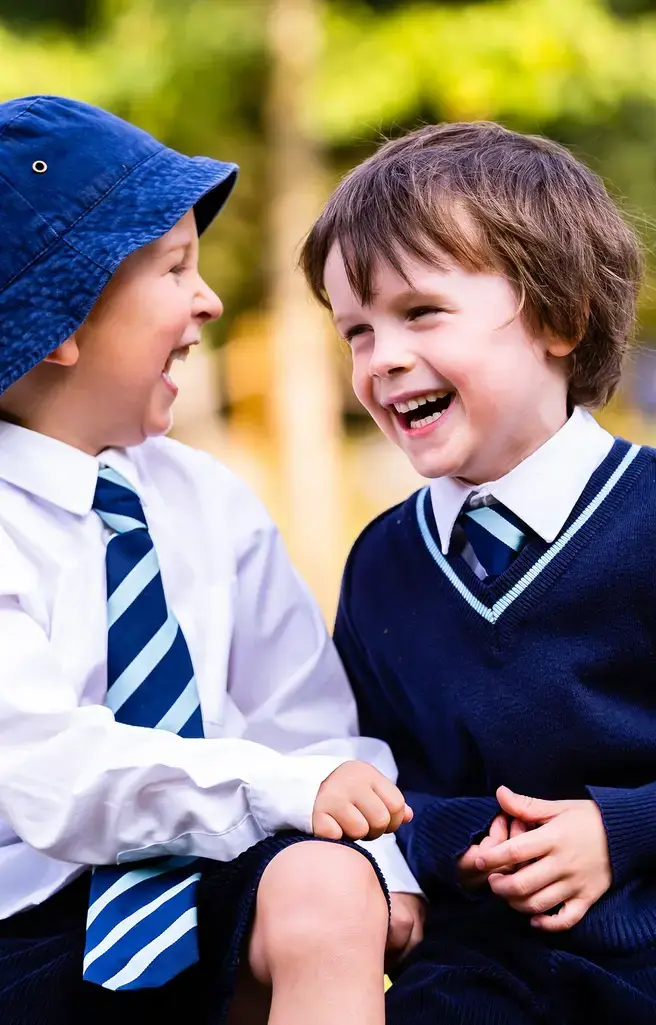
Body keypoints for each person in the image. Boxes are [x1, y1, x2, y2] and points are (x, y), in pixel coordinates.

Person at [0, 95, 424, 1025]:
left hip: (215, 883)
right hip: (22, 918)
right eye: (176, 268)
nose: (210, 298)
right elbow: (41, 769)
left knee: (328, 886)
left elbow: (302, 717)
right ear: (64, 321)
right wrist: (275, 785)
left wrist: (378, 864)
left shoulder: (206, 498)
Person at [300, 120, 656, 1023]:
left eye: (420, 312)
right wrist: (451, 838)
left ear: (560, 318)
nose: (381, 359)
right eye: (356, 331)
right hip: (476, 969)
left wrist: (619, 830)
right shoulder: (383, 563)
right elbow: (370, 767)